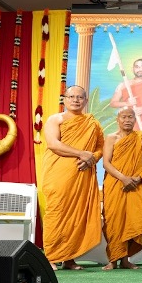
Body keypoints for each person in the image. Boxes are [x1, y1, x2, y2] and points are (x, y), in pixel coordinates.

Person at [41, 85, 103, 271]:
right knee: (56, 213)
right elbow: (53, 144)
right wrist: (82, 153)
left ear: (85, 100)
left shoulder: (92, 123)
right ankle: (51, 256)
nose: (75, 100)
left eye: (80, 97)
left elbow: (100, 148)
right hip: (58, 174)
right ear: (65, 99)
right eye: (71, 96)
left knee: (77, 216)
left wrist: (91, 160)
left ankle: (69, 259)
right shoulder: (55, 119)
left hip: (82, 175)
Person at [101, 107, 142, 270]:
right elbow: (106, 163)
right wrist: (123, 178)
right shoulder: (111, 138)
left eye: (130, 117)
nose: (127, 120)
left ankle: (125, 260)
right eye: (124, 117)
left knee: (131, 221)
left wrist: (139, 178)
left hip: (135, 185)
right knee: (114, 221)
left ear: (134, 119)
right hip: (115, 184)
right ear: (118, 119)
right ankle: (113, 259)